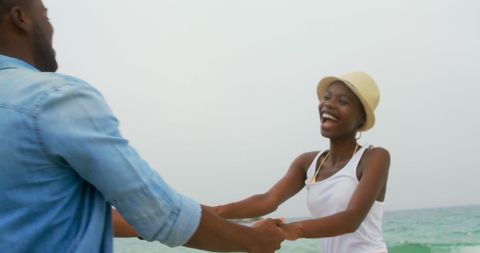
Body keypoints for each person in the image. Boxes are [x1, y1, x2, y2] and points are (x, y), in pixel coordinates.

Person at [0, 0, 285, 252]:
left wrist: (209, 215)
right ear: (20, 17)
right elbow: (160, 213)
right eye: (45, 16)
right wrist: (253, 241)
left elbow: (61, 214)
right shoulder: (54, 98)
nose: (50, 29)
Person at [212, 71, 391, 252]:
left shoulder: (375, 157)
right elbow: (268, 200)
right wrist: (213, 213)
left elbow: (351, 219)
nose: (328, 104)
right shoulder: (307, 162)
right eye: (326, 98)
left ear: (361, 116)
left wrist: (288, 230)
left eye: (342, 101)